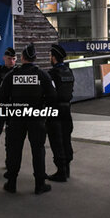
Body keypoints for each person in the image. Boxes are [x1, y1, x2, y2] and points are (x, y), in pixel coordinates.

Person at [0, 43, 57, 195]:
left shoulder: (11, 75)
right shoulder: (42, 75)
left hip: (16, 118)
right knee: (38, 150)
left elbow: (2, 98)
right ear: (35, 58)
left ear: (22, 58)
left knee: (14, 150)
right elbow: (52, 97)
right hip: (36, 117)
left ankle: (11, 183)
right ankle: (40, 184)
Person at [46, 44, 74, 182]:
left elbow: (49, 93)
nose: (49, 58)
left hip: (55, 110)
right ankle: (67, 169)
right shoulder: (69, 71)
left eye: (50, 56)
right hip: (67, 110)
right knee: (66, 139)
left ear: (54, 58)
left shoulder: (52, 74)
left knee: (56, 140)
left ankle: (61, 172)